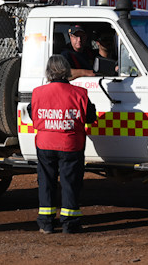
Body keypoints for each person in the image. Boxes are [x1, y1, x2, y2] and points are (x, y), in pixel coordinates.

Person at [28, 55, 97, 234]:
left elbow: (31, 112)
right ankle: (70, 223)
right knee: (70, 183)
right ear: (67, 72)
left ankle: (46, 223)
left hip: (45, 144)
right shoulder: (80, 93)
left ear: (48, 72)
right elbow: (90, 117)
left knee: (45, 182)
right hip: (71, 145)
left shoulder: (37, 92)